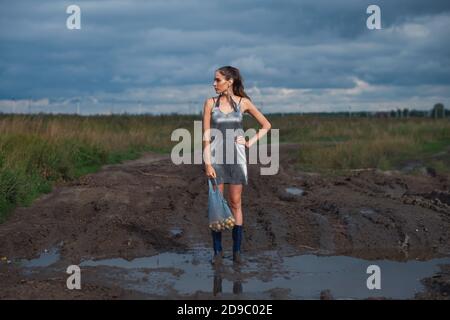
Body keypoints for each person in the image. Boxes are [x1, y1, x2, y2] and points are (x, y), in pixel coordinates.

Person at [202, 66, 272, 265]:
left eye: (217, 80)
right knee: (216, 203)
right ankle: (217, 253)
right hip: (215, 159)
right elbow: (206, 136)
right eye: (214, 80)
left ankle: (237, 252)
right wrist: (207, 163)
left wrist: (250, 141)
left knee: (235, 203)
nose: (214, 84)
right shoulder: (209, 103)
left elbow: (266, 125)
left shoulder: (244, 103)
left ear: (229, 81)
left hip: (237, 159)